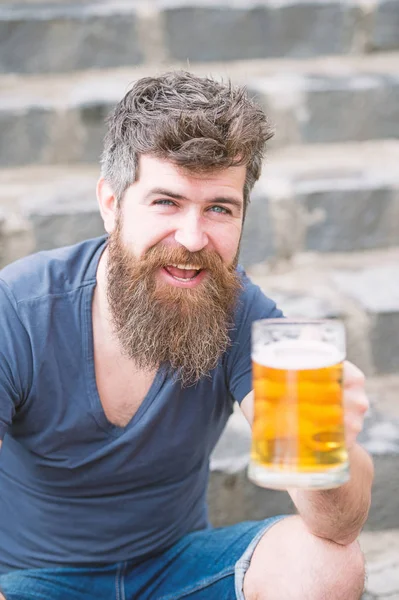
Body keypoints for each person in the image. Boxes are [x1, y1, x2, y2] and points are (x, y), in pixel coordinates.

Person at [0, 71, 373, 600]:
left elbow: (337, 527)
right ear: (111, 203)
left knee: (326, 565)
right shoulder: (16, 310)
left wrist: (327, 443)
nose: (193, 239)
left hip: (178, 572)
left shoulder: (240, 310)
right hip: (30, 583)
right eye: (166, 203)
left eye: (219, 208)